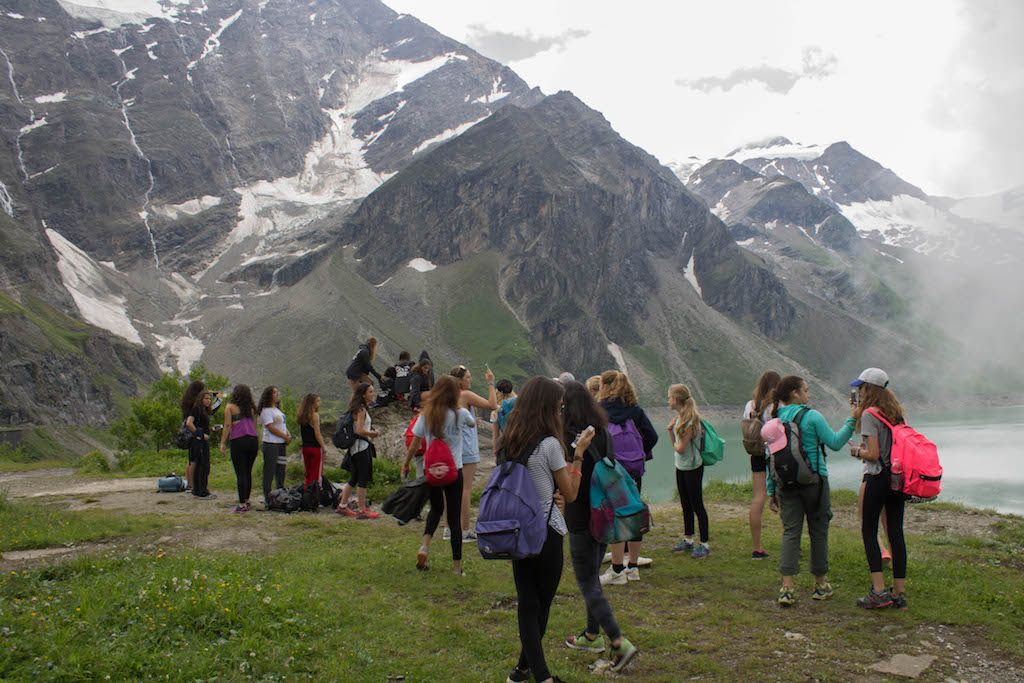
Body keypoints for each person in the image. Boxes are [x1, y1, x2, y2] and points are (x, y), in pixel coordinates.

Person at [560, 380, 638, 671]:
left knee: (587, 581)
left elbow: (568, 478)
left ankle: (619, 642)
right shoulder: (602, 431)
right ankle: (592, 635)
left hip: (580, 515)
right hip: (605, 513)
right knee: (592, 575)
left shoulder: (568, 436)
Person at [766, 375, 857, 607]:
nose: (809, 394)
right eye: (806, 390)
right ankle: (820, 585)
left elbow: (771, 458)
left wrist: (771, 491)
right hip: (815, 482)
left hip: (785, 485)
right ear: (795, 393)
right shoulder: (812, 416)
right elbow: (835, 443)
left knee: (790, 532)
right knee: (818, 532)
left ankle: (787, 588)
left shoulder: (774, 420)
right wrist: (852, 420)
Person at [850, 368, 909, 610]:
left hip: (877, 478)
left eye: (860, 387)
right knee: (896, 532)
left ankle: (878, 591)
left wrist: (857, 451)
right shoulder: (896, 414)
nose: (858, 391)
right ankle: (899, 594)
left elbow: (873, 454)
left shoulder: (870, 414)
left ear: (868, 389)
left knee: (869, 530)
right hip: (897, 479)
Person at [403, 376, 474, 574]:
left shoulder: (427, 414)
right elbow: (472, 424)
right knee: (453, 518)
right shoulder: (460, 413)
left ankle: (425, 546)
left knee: (435, 509)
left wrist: (406, 463)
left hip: (432, 470)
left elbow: (415, 442)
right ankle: (456, 567)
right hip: (453, 471)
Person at [598, 371, 658, 584]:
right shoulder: (635, 410)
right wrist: (640, 453)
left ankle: (616, 570)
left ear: (605, 386)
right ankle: (632, 568)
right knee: (634, 512)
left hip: (612, 469)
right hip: (633, 469)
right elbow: (653, 436)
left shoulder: (600, 410)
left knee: (613, 515)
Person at [446, 364, 497, 542]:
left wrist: (470, 419)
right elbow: (492, 405)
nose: (470, 380)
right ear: (459, 380)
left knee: (450, 490)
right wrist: (490, 383)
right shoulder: (465, 395)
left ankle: (448, 528)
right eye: (468, 377)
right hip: (466, 447)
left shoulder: (447, 396)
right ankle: (465, 529)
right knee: (465, 489)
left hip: (451, 447)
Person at [668, 384, 711, 559]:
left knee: (697, 504)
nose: (668, 401)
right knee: (685, 503)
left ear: (676, 400)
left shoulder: (690, 422)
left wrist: (672, 437)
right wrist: (670, 430)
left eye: (670, 397)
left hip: (693, 467)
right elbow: (678, 447)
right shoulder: (680, 419)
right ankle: (688, 540)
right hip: (681, 466)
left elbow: (680, 448)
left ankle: (705, 544)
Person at [744, 371, 781, 559]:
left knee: (758, 498)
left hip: (757, 454)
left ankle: (757, 547)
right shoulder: (778, 406)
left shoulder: (750, 405)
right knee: (786, 498)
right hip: (777, 454)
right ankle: (793, 545)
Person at [337, 383, 380, 519]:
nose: (373, 394)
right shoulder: (361, 410)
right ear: (363, 395)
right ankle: (362, 509)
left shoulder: (357, 409)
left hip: (355, 448)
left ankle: (343, 505)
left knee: (354, 478)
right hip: (361, 447)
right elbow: (360, 430)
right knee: (362, 478)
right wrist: (372, 433)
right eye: (370, 392)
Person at [219, 384, 259, 513]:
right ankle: (247, 499)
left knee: (240, 472)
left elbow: (227, 425)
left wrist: (222, 443)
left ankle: (241, 504)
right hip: (252, 440)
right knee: (248, 471)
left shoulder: (230, 407)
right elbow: (254, 424)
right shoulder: (252, 408)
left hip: (238, 440)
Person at [258, 386, 291, 505]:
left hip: (281, 444)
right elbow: (271, 427)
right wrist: (284, 436)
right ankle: (268, 497)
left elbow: (282, 425)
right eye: (274, 392)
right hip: (271, 443)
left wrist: (288, 434)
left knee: (281, 469)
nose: (277, 394)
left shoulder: (277, 410)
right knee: (270, 470)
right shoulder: (266, 411)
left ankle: (280, 494)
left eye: (277, 392)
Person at [296, 393, 327, 509]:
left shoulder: (302, 415)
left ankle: (306, 496)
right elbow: (317, 434)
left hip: (305, 447)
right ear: (312, 403)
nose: (320, 403)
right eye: (318, 401)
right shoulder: (314, 415)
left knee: (308, 473)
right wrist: (324, 448)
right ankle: (315, 497)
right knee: (316, 474)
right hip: (315, 448)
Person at [186, 390, 215, 498]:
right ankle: (202, 491)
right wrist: (200, 434)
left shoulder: (204, 411)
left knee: (201, 465)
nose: (208, 401)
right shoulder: (196, 410)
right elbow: (189, 423)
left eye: (210, 399)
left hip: (202, 440)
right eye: (206, 398)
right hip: (199, 441)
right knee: (203, 465)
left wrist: (210, 429)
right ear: (201, 399)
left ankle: (198, 490)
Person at [180, 380, 205, 490]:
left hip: (189, 433)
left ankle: (190, 483)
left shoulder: (187, 402)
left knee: (191, 458)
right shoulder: (195, 406)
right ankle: (193, 484)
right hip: (195, 431)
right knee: (194, 459)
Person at [491, 379, 516, 448]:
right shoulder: (518, 403)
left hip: (508, 444)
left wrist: (495, 450)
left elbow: (495, 436)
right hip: (523, 441)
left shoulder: (497, 410)